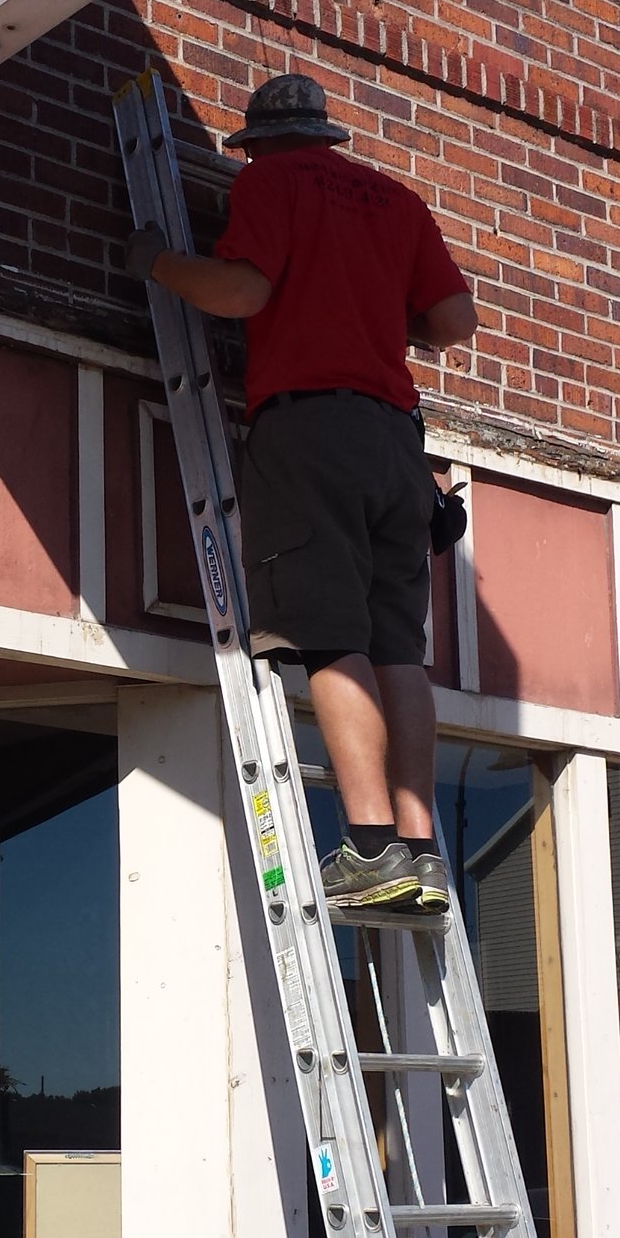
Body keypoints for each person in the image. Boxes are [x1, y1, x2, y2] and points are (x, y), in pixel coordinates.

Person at [126, 72, 477, 913]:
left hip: (311, 432)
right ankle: (420, 848)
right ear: (326, 134)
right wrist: (380, 312)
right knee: (399, 648)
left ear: (263, 143)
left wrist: (161, 263)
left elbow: (242, 291)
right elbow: (456, 322)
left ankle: (367, 848)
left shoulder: (270, 184)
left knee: (326, 637)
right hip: (399, 442)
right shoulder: (397, 201)